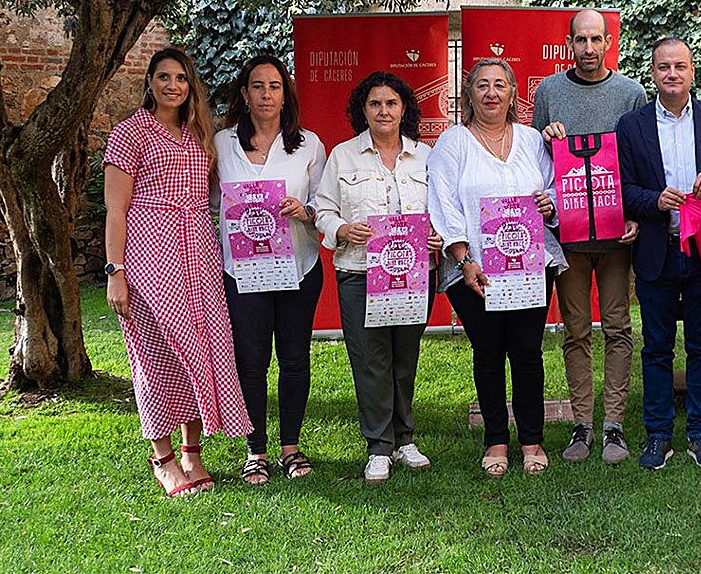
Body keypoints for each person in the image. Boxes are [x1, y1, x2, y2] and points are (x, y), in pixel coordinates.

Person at [104, 47, 251, 498]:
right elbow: (115, 210)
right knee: (155, 357)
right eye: (164, 77)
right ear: (149, 81)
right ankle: (163, 458)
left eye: (182, 78)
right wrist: (115, 271)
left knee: (201, 352)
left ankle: (193, 451)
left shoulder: (197, 133)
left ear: (191, 86)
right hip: (151, 252)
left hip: (199, 254)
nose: (173, 85)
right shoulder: (128, 133)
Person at [427, 58, 564, 477]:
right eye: (482, 85)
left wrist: (549, 202)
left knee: (526, 352)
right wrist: (464, 258)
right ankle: (496, 441)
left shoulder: (530, 139)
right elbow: (443, 201)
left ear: (512, 94)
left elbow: (556, 185)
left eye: (499, 85)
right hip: (474, 270)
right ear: (468, 94)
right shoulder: (453, 142)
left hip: (530, 266)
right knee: (488, 352)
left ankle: (532, 441)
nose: (491, 93)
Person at [616, 37, 701, 470]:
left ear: (691, 72)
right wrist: (654, 201)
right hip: (657, 249)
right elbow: (623, 189)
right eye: (664, 67)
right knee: (657, 347)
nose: (672, 74)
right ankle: (658, 434)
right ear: (653, 73)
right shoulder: (631, 126)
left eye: (680, 67)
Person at [531, 9, 646, 465]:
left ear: (608, 42)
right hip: (569, 235)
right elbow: (537, 157)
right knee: (576, 331)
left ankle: (614, 426)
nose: (588, 48)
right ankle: (582, 424)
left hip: (617, 235)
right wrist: (546, 135)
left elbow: (640, 159)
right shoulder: (549, 91)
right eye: (580, 40)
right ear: (569, 43)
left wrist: (636, 214)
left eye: (596, 39)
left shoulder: (631, 93)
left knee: (617, 328)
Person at [315, 72, 440, 485]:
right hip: (359, 272)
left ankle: (404, 440)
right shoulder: (343, 156)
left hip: (412, 274)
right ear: (363, 110)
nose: (383, 111)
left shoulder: (426, 157)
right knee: (371, 361)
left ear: (404, 109)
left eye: (391, 103)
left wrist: (439, 232)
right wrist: (341, 231)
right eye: (375, 104)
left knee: (405, 358)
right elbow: (324, 209)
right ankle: (378, 446)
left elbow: (441, 208)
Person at [213, 54, 326, 485]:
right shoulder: (222, 144)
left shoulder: (309, 144)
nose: (266, 94)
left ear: (285, 94)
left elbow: (325, 206)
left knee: (295, 358)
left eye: (275, 86)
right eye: (258, 86)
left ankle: (291, 448)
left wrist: (305, 209)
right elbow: (209, 205)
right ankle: (255, 450)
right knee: (251, 360)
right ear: (244, 93)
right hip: (243, 274)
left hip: (297, 267)